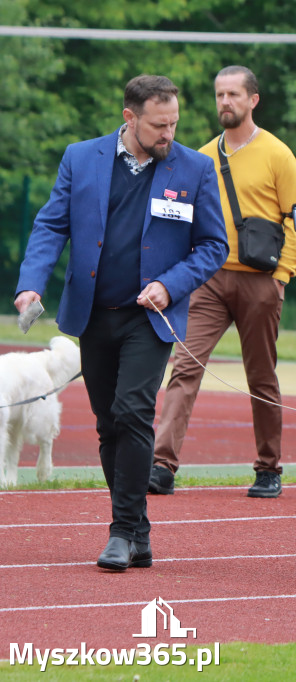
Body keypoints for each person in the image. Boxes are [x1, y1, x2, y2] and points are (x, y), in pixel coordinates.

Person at [14, 75, 229, 571]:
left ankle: (118, 532)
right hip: (92, 314)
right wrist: (31, 282)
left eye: (174, 123)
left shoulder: (194, 168)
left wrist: (170, 285)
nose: (168, 134)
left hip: (150, 318)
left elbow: (214, 246)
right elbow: (51, 224)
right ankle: (139, 530)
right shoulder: (80, 157)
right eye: (159, 125)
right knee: (109, 423)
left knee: (133, 413)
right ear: (129, 118)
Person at [149, 65, 296, 499]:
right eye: (220, 95)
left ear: (253, 100)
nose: (225, 103)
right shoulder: (199, 156)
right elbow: (180, 221)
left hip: (260, 281)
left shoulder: (279, 155)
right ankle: (162, 464)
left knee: (261, 376)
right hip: (208, 280)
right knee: (184, 367)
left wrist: (281, 276)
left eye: (234, 95)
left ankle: (268, 467)